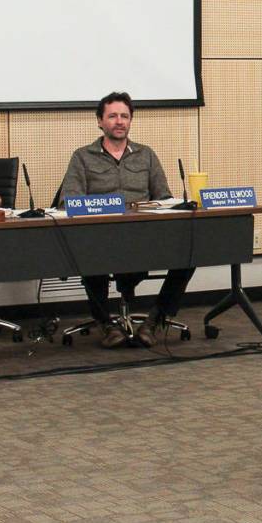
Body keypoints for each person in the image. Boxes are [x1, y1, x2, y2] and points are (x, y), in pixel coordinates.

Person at [61, 92, 195, 348]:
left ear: (131, 121)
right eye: (112, 116)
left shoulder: (146, 155)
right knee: (87, 257)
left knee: (189, 253)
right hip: (100, 237)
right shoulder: (82, 156)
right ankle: (106, 324)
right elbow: (70, 201)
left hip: (144, 237)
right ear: (100, 121)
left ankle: (156, 320)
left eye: (124, 116)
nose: (119, 121)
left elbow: (164, 198)